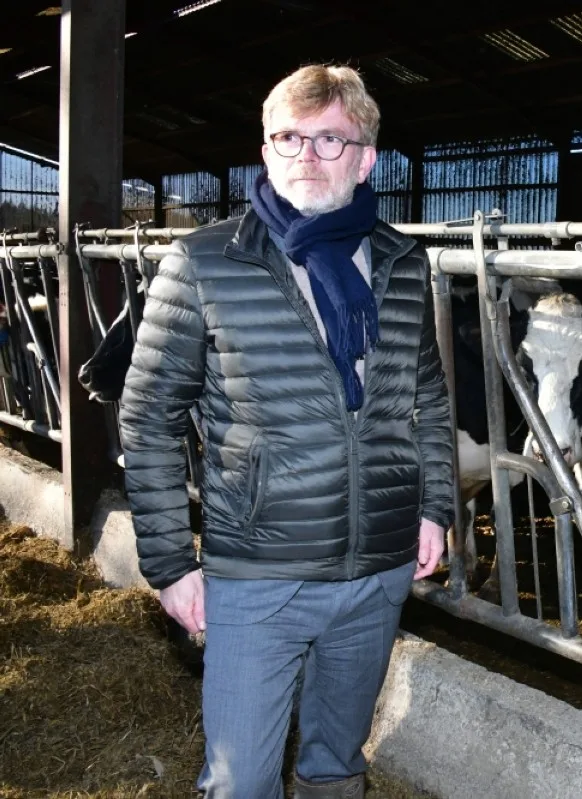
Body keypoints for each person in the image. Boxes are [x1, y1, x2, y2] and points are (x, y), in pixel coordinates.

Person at [118, 64, 454, 799]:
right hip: (258, 574)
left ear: (366, 157)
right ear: (265, 151)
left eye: (330, 139)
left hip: (376, 570)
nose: (306, 154)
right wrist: (172, 562)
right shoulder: (205, 262)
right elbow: (147, 417)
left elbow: (425, 393)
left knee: (337, 760)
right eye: (288, 137)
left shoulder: (401, 262)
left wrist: (434, 507)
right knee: (241, 779)